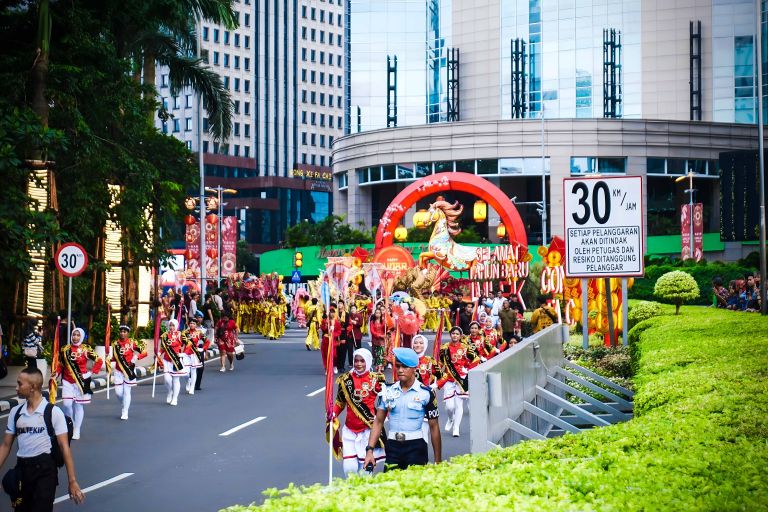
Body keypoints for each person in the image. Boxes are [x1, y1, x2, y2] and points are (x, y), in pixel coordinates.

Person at [0, 368, 85, 510]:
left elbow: (64, 447)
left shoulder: (53, 412)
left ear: (32, 387)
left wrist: (72, 481)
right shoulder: (16, 413)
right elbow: (5, 445)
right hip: (22, 470)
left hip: (45, 471)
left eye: (20, 384)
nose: (16, 388)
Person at [363, 348, 442, 472]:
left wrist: (438, 462)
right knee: (390, 487)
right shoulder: (387, 391)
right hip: (393, 447)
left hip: (416, 447)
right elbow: (378, 422)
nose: (400, 370)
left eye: (405, 367)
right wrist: (369, 450)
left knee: (414, 488)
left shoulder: (426, 393)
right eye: (398, 366)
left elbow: (434, 427)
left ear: (414, 368)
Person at [330, 348, 386, 476]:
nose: (359, 364)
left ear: (368, 362)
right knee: (349, 469)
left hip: (368, 431)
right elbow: (340, 402)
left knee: (365, 472)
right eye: (356, 361)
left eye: (362, 361)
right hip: (349, 430)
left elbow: (386, 401)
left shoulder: (376, 379)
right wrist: (333, 414)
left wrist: (382, 418)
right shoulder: (345, 380)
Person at [58, 328, 103, 440]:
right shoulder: (65, 349)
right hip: (67, 380)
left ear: (82, 337)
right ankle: (71, 424)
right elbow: (60, 364)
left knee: (78, 405)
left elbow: (99, 360)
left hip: (81, 381)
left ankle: (77, 429)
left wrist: (90, 373)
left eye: (78, 335)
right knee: (67, 404)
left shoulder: (86, 349)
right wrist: (55, 374)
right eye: (74, 334)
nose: (75, 337)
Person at [438, 326, 480, 438]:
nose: (455, 335)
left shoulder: (465, 347)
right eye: (453, 333)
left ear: (460, 335)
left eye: (457, 334)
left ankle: (456, 428)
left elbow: (476, 359)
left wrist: (468, 369)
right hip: (449, 378)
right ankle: (451, 418)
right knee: (449, 407)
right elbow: (441, 364)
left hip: (461, 378)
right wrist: (438, 375)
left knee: (459, 404)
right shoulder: (444, 348)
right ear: (450, 335)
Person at [109, 325, 147, 420]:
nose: (122, 333)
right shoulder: (115, 344)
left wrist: (136, 357)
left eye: (124, 331)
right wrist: (109, 359)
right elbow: (115, 357)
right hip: (118, 371)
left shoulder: (132, 343)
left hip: (129, 370)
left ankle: (125, 411)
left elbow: (145, 352)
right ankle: (124, 404)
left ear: (128, 333)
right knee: (118, 393)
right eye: (121, 331)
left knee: (127, 392)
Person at [158, 319, 186, 406]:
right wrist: (158, 353)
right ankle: (170, 391)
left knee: (176, 380)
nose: (171, 327)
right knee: (167, 380)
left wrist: (182, 354)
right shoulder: (165, 336)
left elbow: (188, 344)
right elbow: (163, 348)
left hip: (176, 361)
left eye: (173, 325)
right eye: (170, 325)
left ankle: (175, 398)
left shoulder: (180, 335)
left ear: (176, 326)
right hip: (166, 360)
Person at [182, 314, 209, 393]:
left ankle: (192, 388)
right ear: (188, 324)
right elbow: (181, 343)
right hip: (186, 354)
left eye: (193, 323)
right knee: (185, 373)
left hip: (195, 354)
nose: (192, 325)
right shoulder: (184, 333)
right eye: (190, 323)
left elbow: (207, 341)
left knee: (194, 371)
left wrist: (203, 349)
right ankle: (188, 381)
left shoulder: (199, 332)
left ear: (196, 324)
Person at [321, 309, 343, 374]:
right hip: (326, 339)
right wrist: (326, 324)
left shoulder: (337, 322)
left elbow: (339, 331)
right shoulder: (325, 321)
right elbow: (323, 329)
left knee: (334, 355)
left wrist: (333, 334)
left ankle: (335, 366)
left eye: (333, 313)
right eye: (331, 312)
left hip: (333, 340)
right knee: (325, 354)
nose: (332, 314)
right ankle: (327, 368)